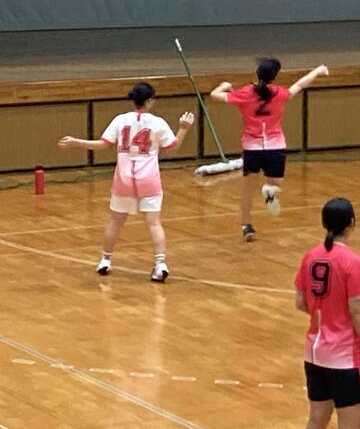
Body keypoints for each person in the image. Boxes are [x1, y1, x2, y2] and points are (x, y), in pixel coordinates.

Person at [57, 82, 194, 282]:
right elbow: (172, 148)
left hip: (124, 180)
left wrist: (78, 142)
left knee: (115, 222)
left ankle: (105, 259)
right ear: (149, 100)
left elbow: (102, 144)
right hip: (149, 180)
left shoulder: (121, 120)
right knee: (154, 223)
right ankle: (160, 264)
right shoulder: (157, 122)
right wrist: (183, 128)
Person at [211, 59, 328, 241]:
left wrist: (223, 86)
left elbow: (215, 95)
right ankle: (269, 190)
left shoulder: (245, 93)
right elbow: (299, 85)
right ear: (274, 77)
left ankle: (246, 225)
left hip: (252, 148)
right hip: (275, 146)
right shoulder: (278, 93)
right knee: (276, 183)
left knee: (248, 191)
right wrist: (317, 71)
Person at [295, 198, 360, 429]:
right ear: (351, 224)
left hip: (314, 354)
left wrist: (324, 313)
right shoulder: (352, 262)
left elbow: (300, 302)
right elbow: (356, 311)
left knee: (316, 420)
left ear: (324, 223)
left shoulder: (310, 256)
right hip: (344, 358)